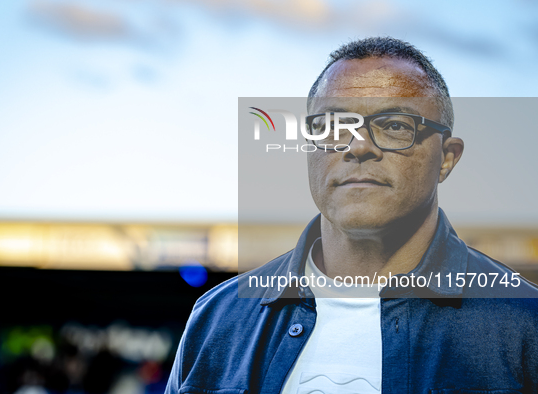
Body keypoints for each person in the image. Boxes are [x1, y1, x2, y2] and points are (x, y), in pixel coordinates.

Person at [165, 37, 538, 394]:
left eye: (394, 126)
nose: (358, 146)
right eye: (331, 125)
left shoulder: (525, 322)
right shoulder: (217, 318)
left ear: (447, 158)